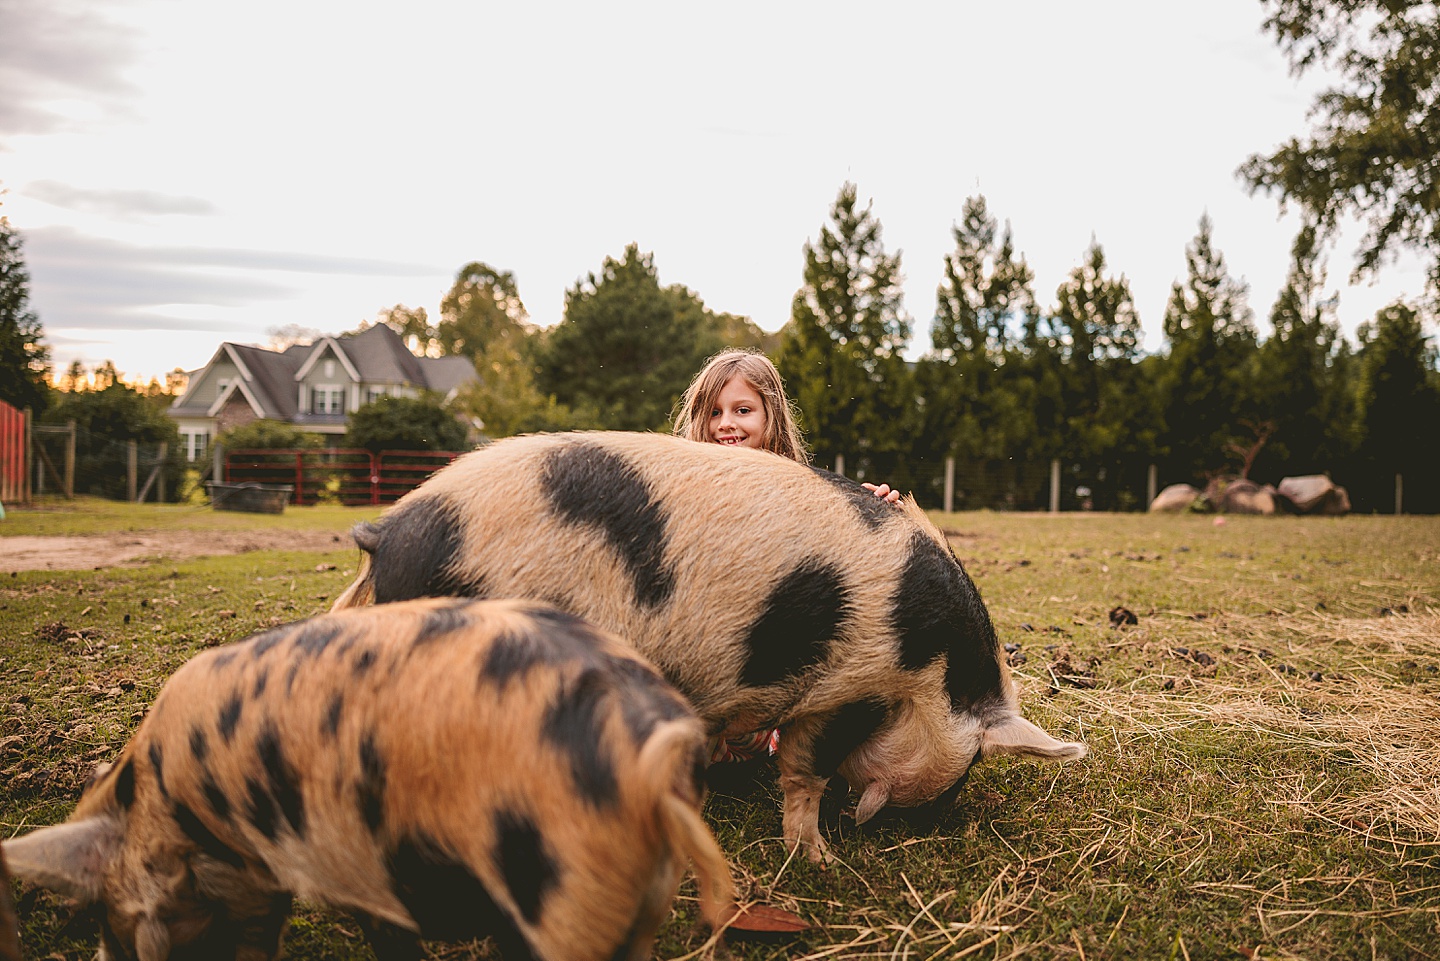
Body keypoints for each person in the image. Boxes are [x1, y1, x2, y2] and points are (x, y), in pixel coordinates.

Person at [672, 349, 899, 762]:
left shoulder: (799, 494)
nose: (726, 424)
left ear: (770, 415)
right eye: (714, 412)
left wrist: (872, 509)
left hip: (758, 685)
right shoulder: (681, 491)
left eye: (742, 410)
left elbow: (836, 539)